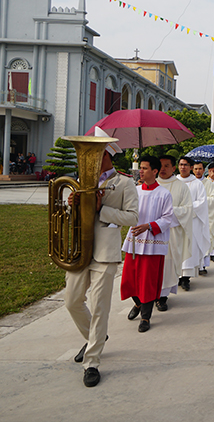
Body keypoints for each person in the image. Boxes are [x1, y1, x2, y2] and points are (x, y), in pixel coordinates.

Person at [64, 127, 138, 387]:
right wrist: (72, 206)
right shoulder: (82, 180)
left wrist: (102, 209)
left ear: (106, 153)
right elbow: (72, 218)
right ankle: (96, 336)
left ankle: (92, 361)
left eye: (95, 152)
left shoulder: (125, 182)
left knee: (99, 307)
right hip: (79, 250)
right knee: (71, 301)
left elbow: (132, 217)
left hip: (105, 252)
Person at [120, 156, 177, 332]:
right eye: (141, 168)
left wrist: (148, 226)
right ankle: (137, 304)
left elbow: (168, 218)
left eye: (145, 168)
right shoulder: (135, 190)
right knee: (128, 280)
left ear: (154, 171)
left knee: (148, 282)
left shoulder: (164, 193)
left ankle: (145, 317)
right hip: (135, 241)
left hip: (153, 242)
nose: (141, 171)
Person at [155, 155, 191, 304]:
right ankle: (150, 296)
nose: (163, 169)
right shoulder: (151, 184)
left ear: (173, 168)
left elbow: (187, 209)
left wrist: (167, 214)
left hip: (171, 234)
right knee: (153, 265)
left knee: (168, 264)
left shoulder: (181, 186)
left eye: (166, 166)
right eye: (160, 166)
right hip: (153, 232)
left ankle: (163, 297)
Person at [179, 157, 210, 281]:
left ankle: (186, 278)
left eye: (186, 165)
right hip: (176, 221)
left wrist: (186, 209)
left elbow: (202, 202)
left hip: (192, 222)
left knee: (189, 248)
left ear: (190, 167)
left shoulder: (197, 183)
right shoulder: (173, 181)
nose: (183, 167)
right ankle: (176, 276)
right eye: (181, 164)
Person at [194, 161, 214, 267]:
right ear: (192, 170)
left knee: (204, 239)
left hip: (205, 217)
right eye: (196, 169)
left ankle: (203, 265)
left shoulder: (208, 184)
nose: (198, 171)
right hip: (193, 217)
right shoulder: (189, 183)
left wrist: (200, 202)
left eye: (200, 169)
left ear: (204, 170)